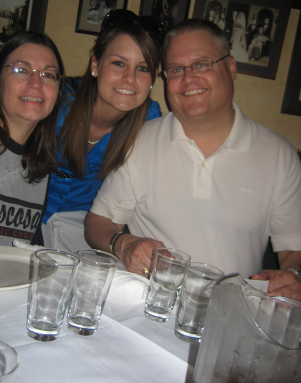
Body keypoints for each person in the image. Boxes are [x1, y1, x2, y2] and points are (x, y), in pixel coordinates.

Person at [85, 19, 301, 302]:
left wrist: (294, 276)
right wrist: (123, 243)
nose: (188, 78)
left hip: (229, 315)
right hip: (145, 307)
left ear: (231, 67)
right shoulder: (138, 140)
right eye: (176, 69)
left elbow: (293, 248)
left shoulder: (280, 156)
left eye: (202, 64)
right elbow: (97, 222)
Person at [35, 9, 163, 252]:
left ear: (153, 78)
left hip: (82, 235)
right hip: (25, 217)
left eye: (143, 68)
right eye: (118, 63)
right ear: (95, 64)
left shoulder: (151, 119)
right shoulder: (57, 101)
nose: (129, 78)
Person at [0, 31, 65, 246]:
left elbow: (29, 245)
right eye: (21, 70)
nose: (36, 83)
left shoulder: (41, 165)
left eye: (48, 75)